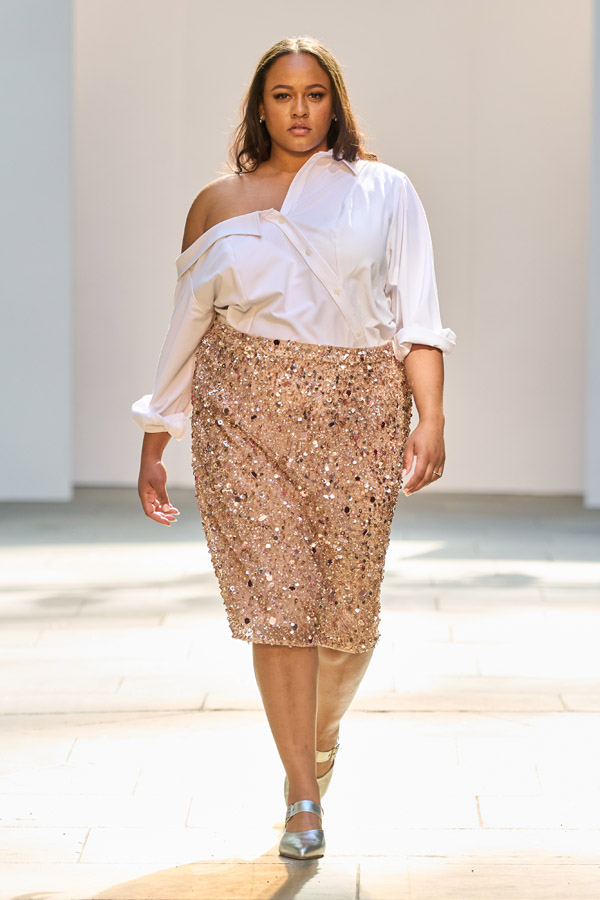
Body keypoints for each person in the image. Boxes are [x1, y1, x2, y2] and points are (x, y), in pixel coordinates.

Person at [131, 35, 455, 860]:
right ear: (260, 107)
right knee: (279, 601)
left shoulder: (384, 191)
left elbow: (416, 313)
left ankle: (319, 736)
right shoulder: (218, 203)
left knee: (347, 620)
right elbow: (186, 324)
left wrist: (431, 415)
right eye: (282, 95)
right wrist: (156, 437)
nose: (300, 110)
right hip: (241, 410)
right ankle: (303, 797)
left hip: (359, 411)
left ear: (335, 104)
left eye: (314, 94)